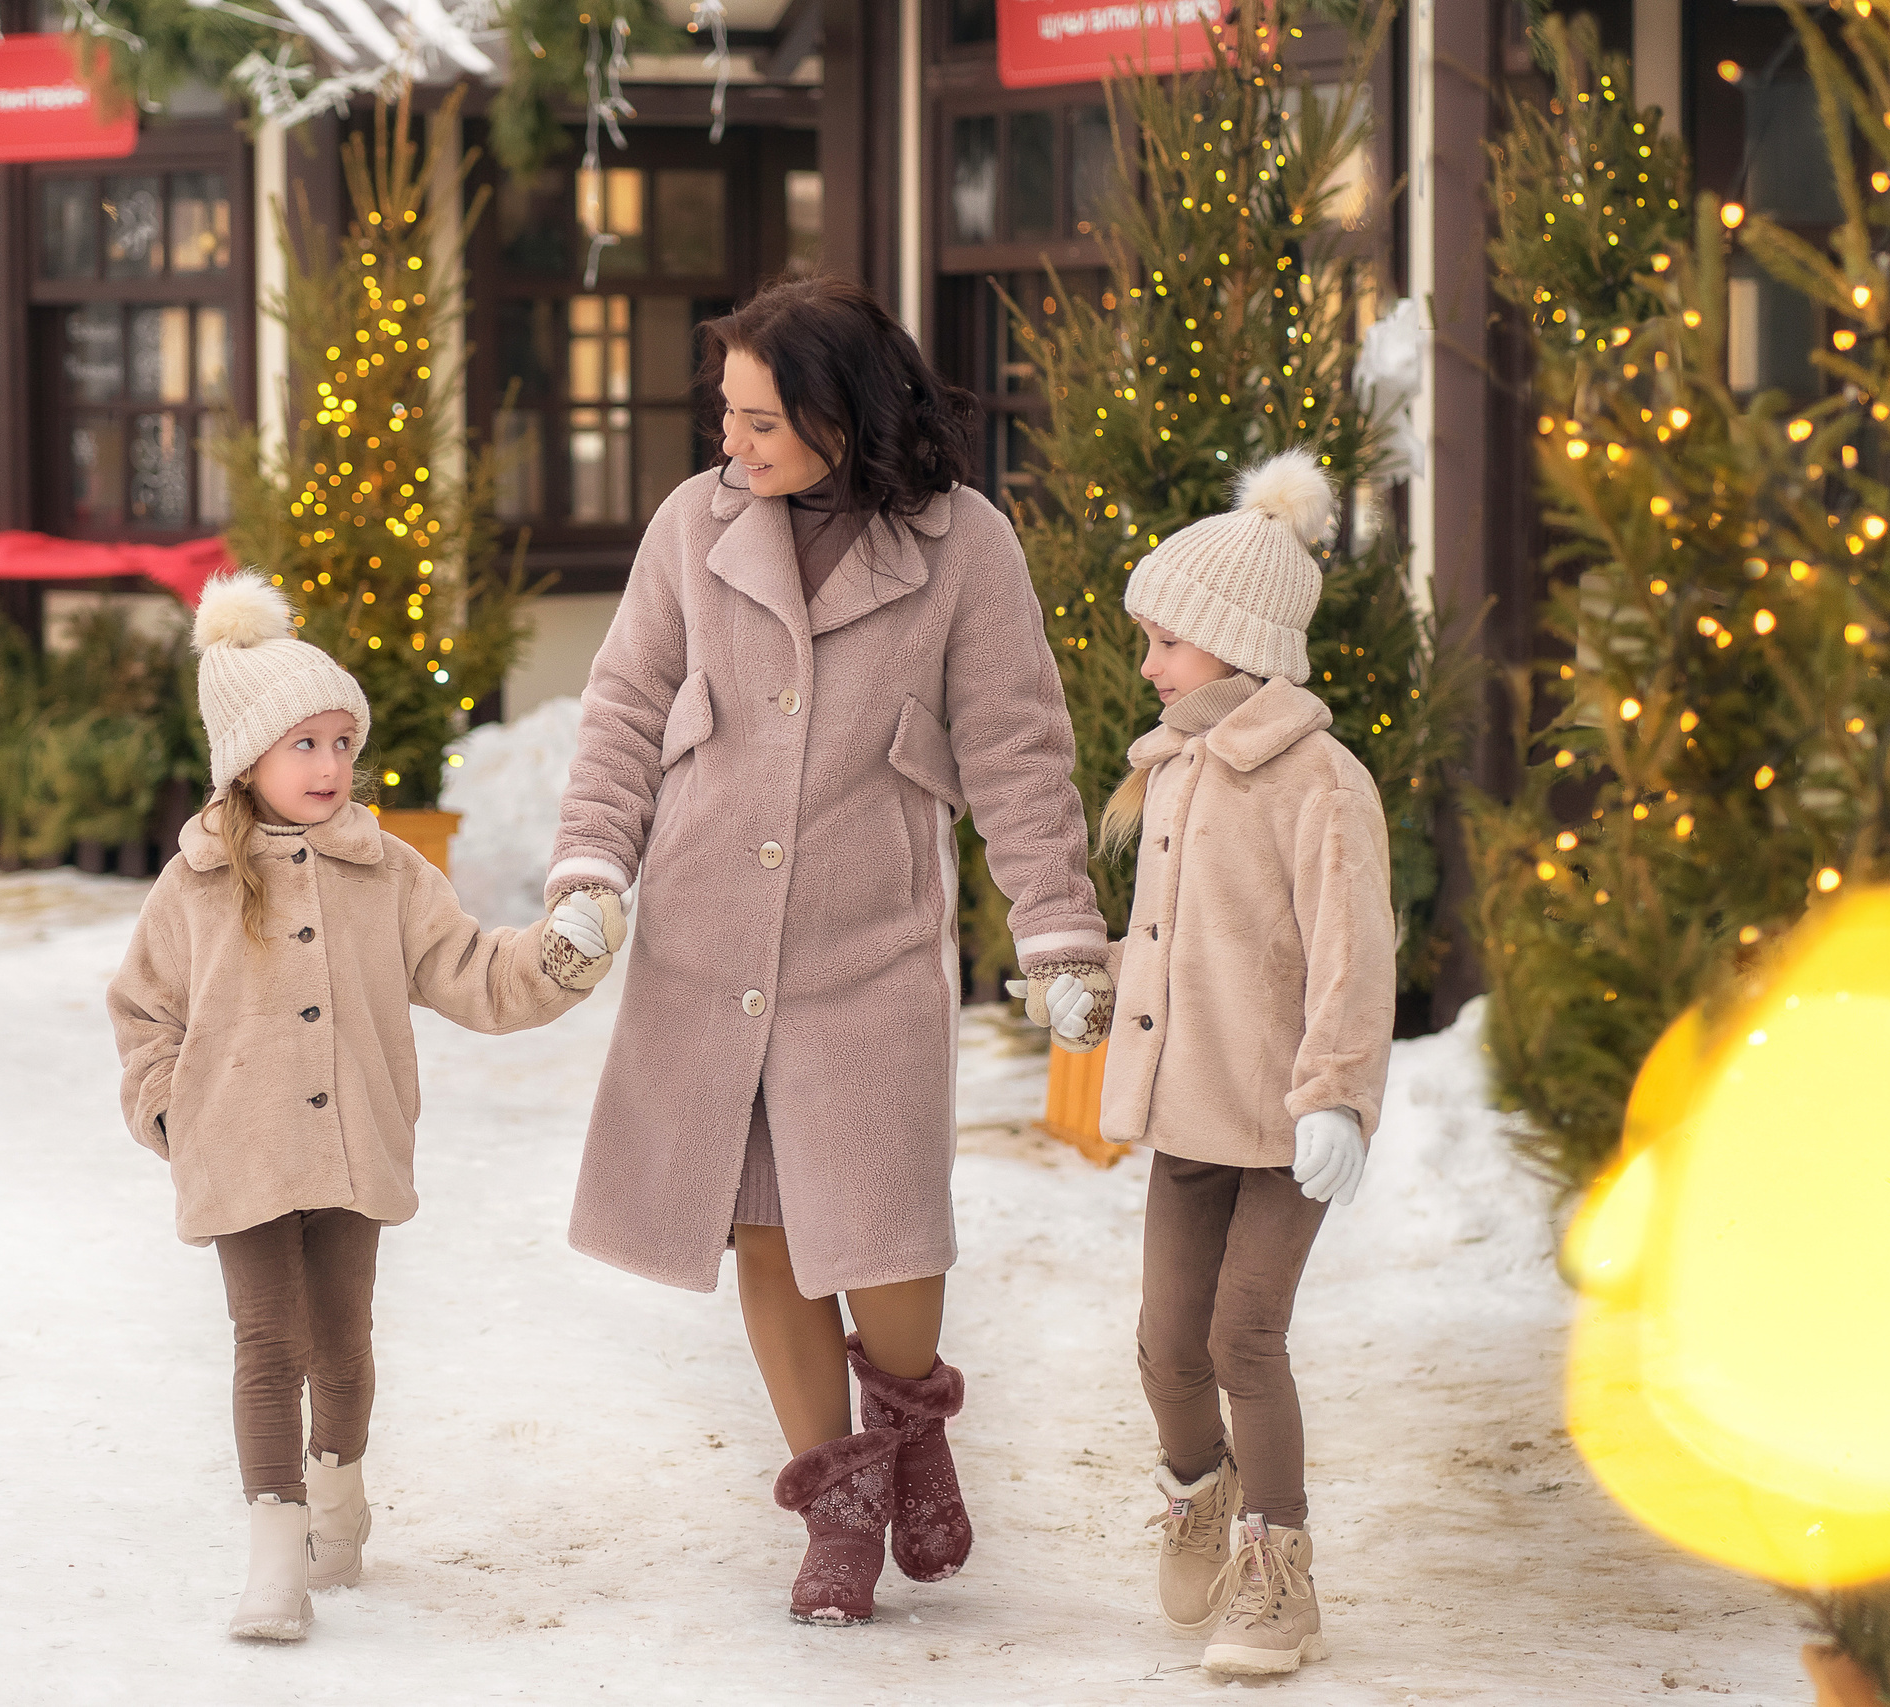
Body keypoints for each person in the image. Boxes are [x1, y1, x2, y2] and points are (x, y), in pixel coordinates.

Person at [541, 274, 1113, 1626]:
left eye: (760, 419)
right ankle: (837, 1500)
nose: (731, 442)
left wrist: (1055, 928)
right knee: (766, 1227)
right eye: (726, 414)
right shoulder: (692, 525)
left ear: (840, 414)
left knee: (886, 1224)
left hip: (867, 945)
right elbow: (624, 707)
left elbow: (1017, 746)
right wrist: (591, 867)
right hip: (706, 939)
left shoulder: (964, 545)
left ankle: (908, 1418)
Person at [107, 571, 623, 1642]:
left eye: (343, 742)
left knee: (341, 1343)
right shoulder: (195, 882)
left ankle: (337, 1507)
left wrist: (558, 957)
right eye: (305, 744)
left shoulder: (386, 871)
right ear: (247, 758)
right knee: (267, 1343)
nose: (331, 764)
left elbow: (474, 971)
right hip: (239, 1151)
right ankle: (273, 1562)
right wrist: (170, 1115)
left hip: (352, 1147)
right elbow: (143, 1010)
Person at [1092, 448, 1396, 1678]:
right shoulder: (1173, 768)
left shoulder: (1321, 785)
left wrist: (1338, 1099)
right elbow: (1179, 941)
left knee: (1242, 1341)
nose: (1149, 665)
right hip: (1190, 1118)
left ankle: (1278, 1576)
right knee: (1166, 1346)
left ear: (1236, 645)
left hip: (1281, 1126)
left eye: (1166, 641)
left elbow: (1351, 958)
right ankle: (1199, 1492)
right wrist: (1102, 984)